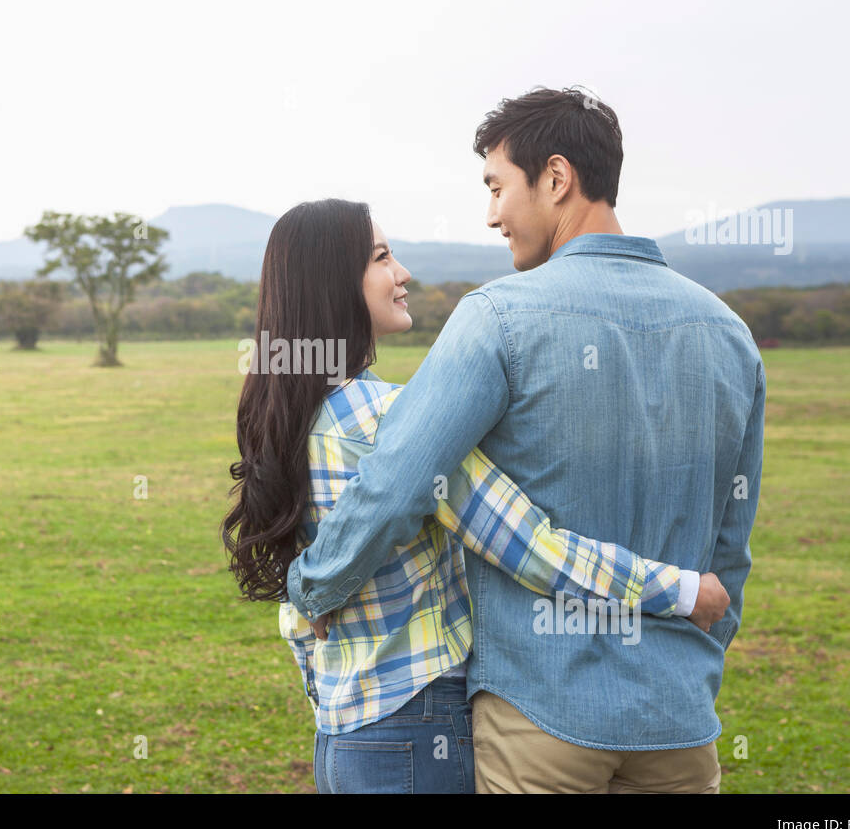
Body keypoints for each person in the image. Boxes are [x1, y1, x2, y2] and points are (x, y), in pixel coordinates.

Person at [286, 88, 765, 793]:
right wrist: (691, 669)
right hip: (679, 722)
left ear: (557, 178)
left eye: (497, 186)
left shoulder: (497, 319)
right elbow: (731, 549)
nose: (490, 215)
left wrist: (313, 587)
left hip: (537, 718)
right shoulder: (729, 333)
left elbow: (395, 484)